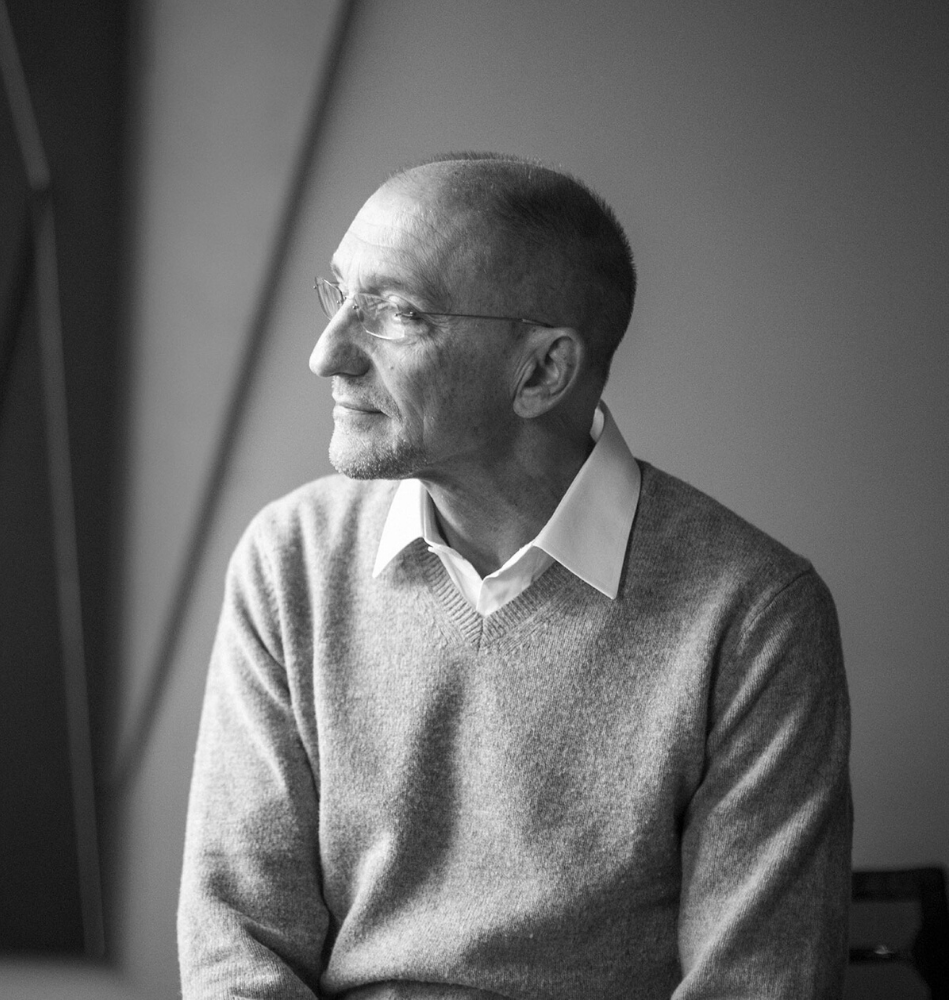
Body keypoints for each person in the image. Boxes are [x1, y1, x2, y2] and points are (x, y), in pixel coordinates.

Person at [178, 153, 852, 999]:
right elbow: (235, 946)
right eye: (341, 294)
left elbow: (758, 985)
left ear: (541, 372)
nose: (327, 354)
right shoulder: (290, 559)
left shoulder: (755, 615)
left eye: (396, 313)